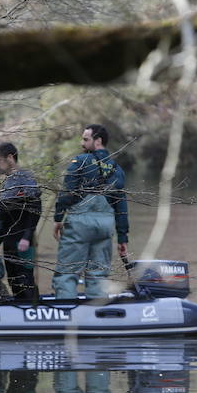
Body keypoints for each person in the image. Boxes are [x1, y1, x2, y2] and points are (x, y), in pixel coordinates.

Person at [52, 124, 129, 299]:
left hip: (80, 224)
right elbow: (121, 206)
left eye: (86, 139)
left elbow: (67, 193)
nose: (82, 143)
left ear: (98, 141)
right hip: (105, 227)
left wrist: (58, 218)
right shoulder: (117, 169)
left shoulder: (79, 162)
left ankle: (66, 316)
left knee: (67, 274)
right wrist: (123, 237)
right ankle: (96, 317)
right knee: (98, 276)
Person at [0, 142, 41, 300]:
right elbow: (7, 218)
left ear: (10, 158)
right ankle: (20, 312)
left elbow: (35, 209)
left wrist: (27, 237)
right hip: (9, 241)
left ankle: (34, 312)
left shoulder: (26, 178)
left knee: (25, 280)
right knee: (13, 280)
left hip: (23, 242)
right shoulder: (9, 181)